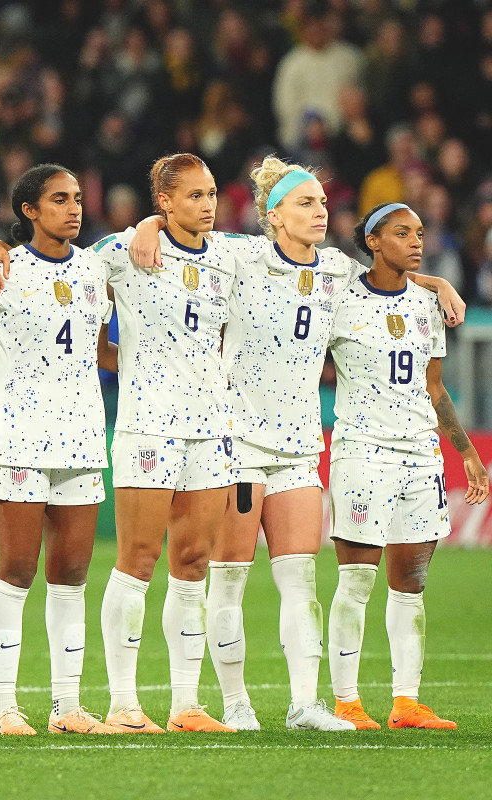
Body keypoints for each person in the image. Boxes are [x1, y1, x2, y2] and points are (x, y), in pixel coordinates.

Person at [126, 157, 464, 731]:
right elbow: (183, 233)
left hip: (300, 446)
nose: (320, 211)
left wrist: (436, 281)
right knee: (228, 576)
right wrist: (146, 226)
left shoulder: (336, 269)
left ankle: (305, 705)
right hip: (236, 443)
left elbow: (390, 281)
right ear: (274, 214)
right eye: (305, 203)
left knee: (300, 577)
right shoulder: (239, 256)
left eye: (323, 203)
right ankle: (235, 704)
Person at [0, 153, 237, 733]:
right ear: (165, 201)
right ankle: (118, 702)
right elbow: (47, 266)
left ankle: (182, 705)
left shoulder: (229, 254)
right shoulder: (113, 256)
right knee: (125, 562)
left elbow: (316, 266)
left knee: (190, 562)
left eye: (212, 192)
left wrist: (428, 282)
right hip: (139, 424)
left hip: (202, 428)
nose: (209, 203)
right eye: (194, 194)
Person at [0, 164, 118, 736]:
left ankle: (68, 707)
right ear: (29, 211)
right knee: (17, 570)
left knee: (71, 573)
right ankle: (4, 708)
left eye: (77, 197)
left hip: (84, 439)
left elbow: (97, 351)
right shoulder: (3, 272)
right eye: (59, 199)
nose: (74, 208)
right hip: (19, 439)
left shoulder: (95, 272)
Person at [325, 202, 488, 730]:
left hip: (421, 456)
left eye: (419, 232)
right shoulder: (340, 296)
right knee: (355, 582)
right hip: (362, 452)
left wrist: (465, 451)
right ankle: (347, 701)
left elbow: (434, 385)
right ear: (373, 241)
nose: (416, 240)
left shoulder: (425, 304)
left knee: (411, 585)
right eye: (401, 232)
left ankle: (406, 702)